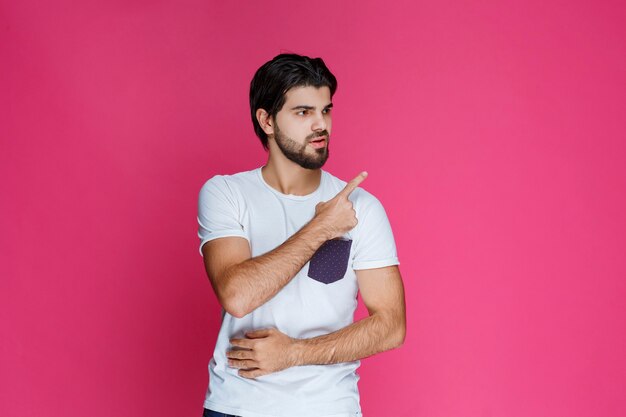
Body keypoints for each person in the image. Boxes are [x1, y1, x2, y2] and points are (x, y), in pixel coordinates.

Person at [197, 53, 406, 417]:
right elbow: (238, 295)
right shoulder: (226, 194)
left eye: (325, 110)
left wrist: (294, 353)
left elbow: (391, 326)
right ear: (266, 120)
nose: (320, 124)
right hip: (237, 407)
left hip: (327, 409)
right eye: (303, 112)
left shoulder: (362, 207)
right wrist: (321, 228)